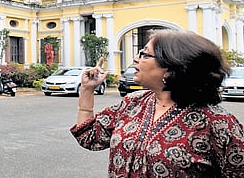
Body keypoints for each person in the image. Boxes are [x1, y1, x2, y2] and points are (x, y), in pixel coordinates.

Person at [70, 29, 244, 177]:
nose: (136, 59)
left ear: (170, 68)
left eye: (145, 54)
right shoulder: (133, 102)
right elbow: (89, 137)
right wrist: (87, 89)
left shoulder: (219, 124)